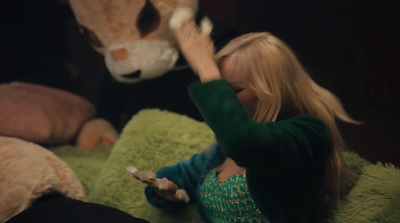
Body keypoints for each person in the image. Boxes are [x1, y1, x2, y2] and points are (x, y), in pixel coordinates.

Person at [134, 19, 359, 223]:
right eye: (220, 87)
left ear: (273, 91)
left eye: (234, 90)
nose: (222, 97)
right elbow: (184, 174)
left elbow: (248, 144)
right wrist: (163, 188)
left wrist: (206, 69)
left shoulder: (308, 134)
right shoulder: (222, 149)